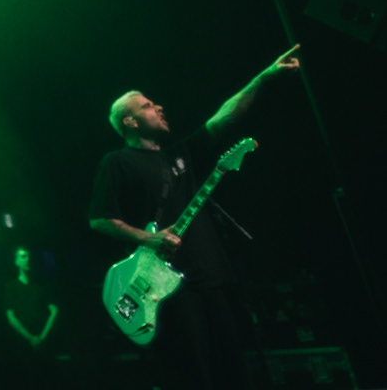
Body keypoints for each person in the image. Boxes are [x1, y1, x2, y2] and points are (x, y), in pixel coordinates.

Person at [89, 46, 300, 390]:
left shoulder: (180, 154)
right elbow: (99, 219)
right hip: (165, 290)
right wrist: (150, 238)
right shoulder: (117, 162)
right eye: (147, 106)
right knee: (194, 375)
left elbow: (226, 116)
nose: (158, 107)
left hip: (212, 276)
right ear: (130, 121)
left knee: (234, 371)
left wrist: (266, 76)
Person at [2, 246, 57, 388]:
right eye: (23, 256)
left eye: (29, 256)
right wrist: (30, 338)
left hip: (44, 345)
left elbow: (54, 311)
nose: (27, 259)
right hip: (22, 346)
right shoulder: (11, 287)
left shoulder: (42, 285)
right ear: (16, 261)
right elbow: (10, 316)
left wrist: (42, 337)